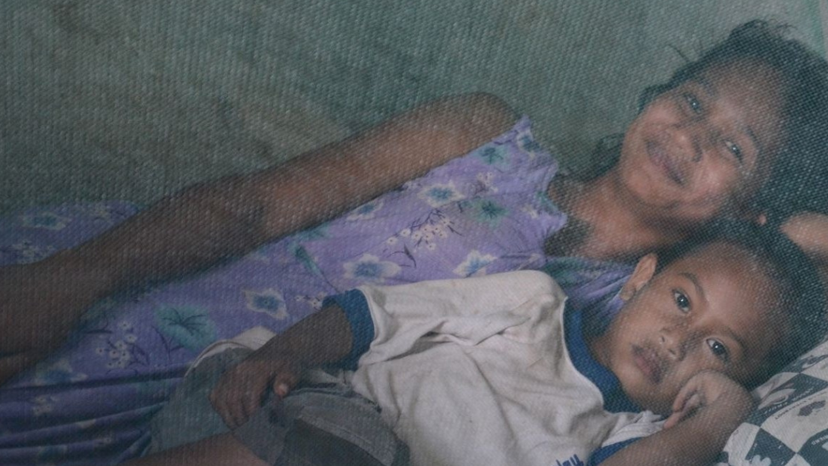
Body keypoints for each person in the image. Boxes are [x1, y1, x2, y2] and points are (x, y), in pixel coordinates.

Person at [1, 20, 827, 465]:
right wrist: (77, 275)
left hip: (281, 430)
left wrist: (778, 226)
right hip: (135, 302)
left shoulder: (635, 323)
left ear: (753, 211)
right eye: (692, 99)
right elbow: (260, 205)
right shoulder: (485, 133)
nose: (689, 136)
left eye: (733, 148)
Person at [125, 220, 828, 466]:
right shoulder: (531, 304)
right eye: (682, 300)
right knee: (351, 443)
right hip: (275, 403)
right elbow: (367, 316)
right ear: (642, 276)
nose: (680, 340)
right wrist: (280, 354)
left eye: (719, 350)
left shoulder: (636, 433)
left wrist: (715, 424)